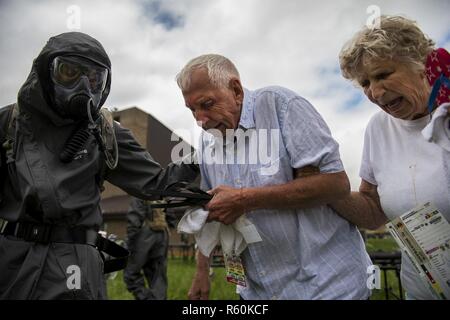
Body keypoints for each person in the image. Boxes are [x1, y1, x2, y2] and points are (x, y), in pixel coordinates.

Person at [0, 32, 198, 299]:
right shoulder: (10, 123)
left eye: (94, 78)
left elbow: (156, 183)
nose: (83, 86)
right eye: (69, 71)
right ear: (46, 72)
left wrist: (204, 157)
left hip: (76, 266)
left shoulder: (106, 133)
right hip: (13, 261)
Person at [175, 54, 372, 300]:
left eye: (206, 104)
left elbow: (336, 185)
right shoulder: (207, 141)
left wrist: (244, 199)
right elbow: (208, 213)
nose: (200, 120)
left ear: (235, 90)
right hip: (257, 292)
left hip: (325, 287)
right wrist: (201, 272)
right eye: (192, 109)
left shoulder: (282, 106)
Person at [331, 15, 450, 300]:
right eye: (365, 83)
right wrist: (325, 187)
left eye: (383, 74)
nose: (375, 91)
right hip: (422, 293)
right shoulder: (378, 128)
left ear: (420, 65)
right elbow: (373, 210)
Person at [124, 197, 176, 300]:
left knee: (131, 273)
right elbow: (171, 217)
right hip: (162, 235)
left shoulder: (140, 188)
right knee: (158, 275)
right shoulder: (162, 189)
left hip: (144, 234)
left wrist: (129, 241)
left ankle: (147, 298)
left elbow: (135, 218)